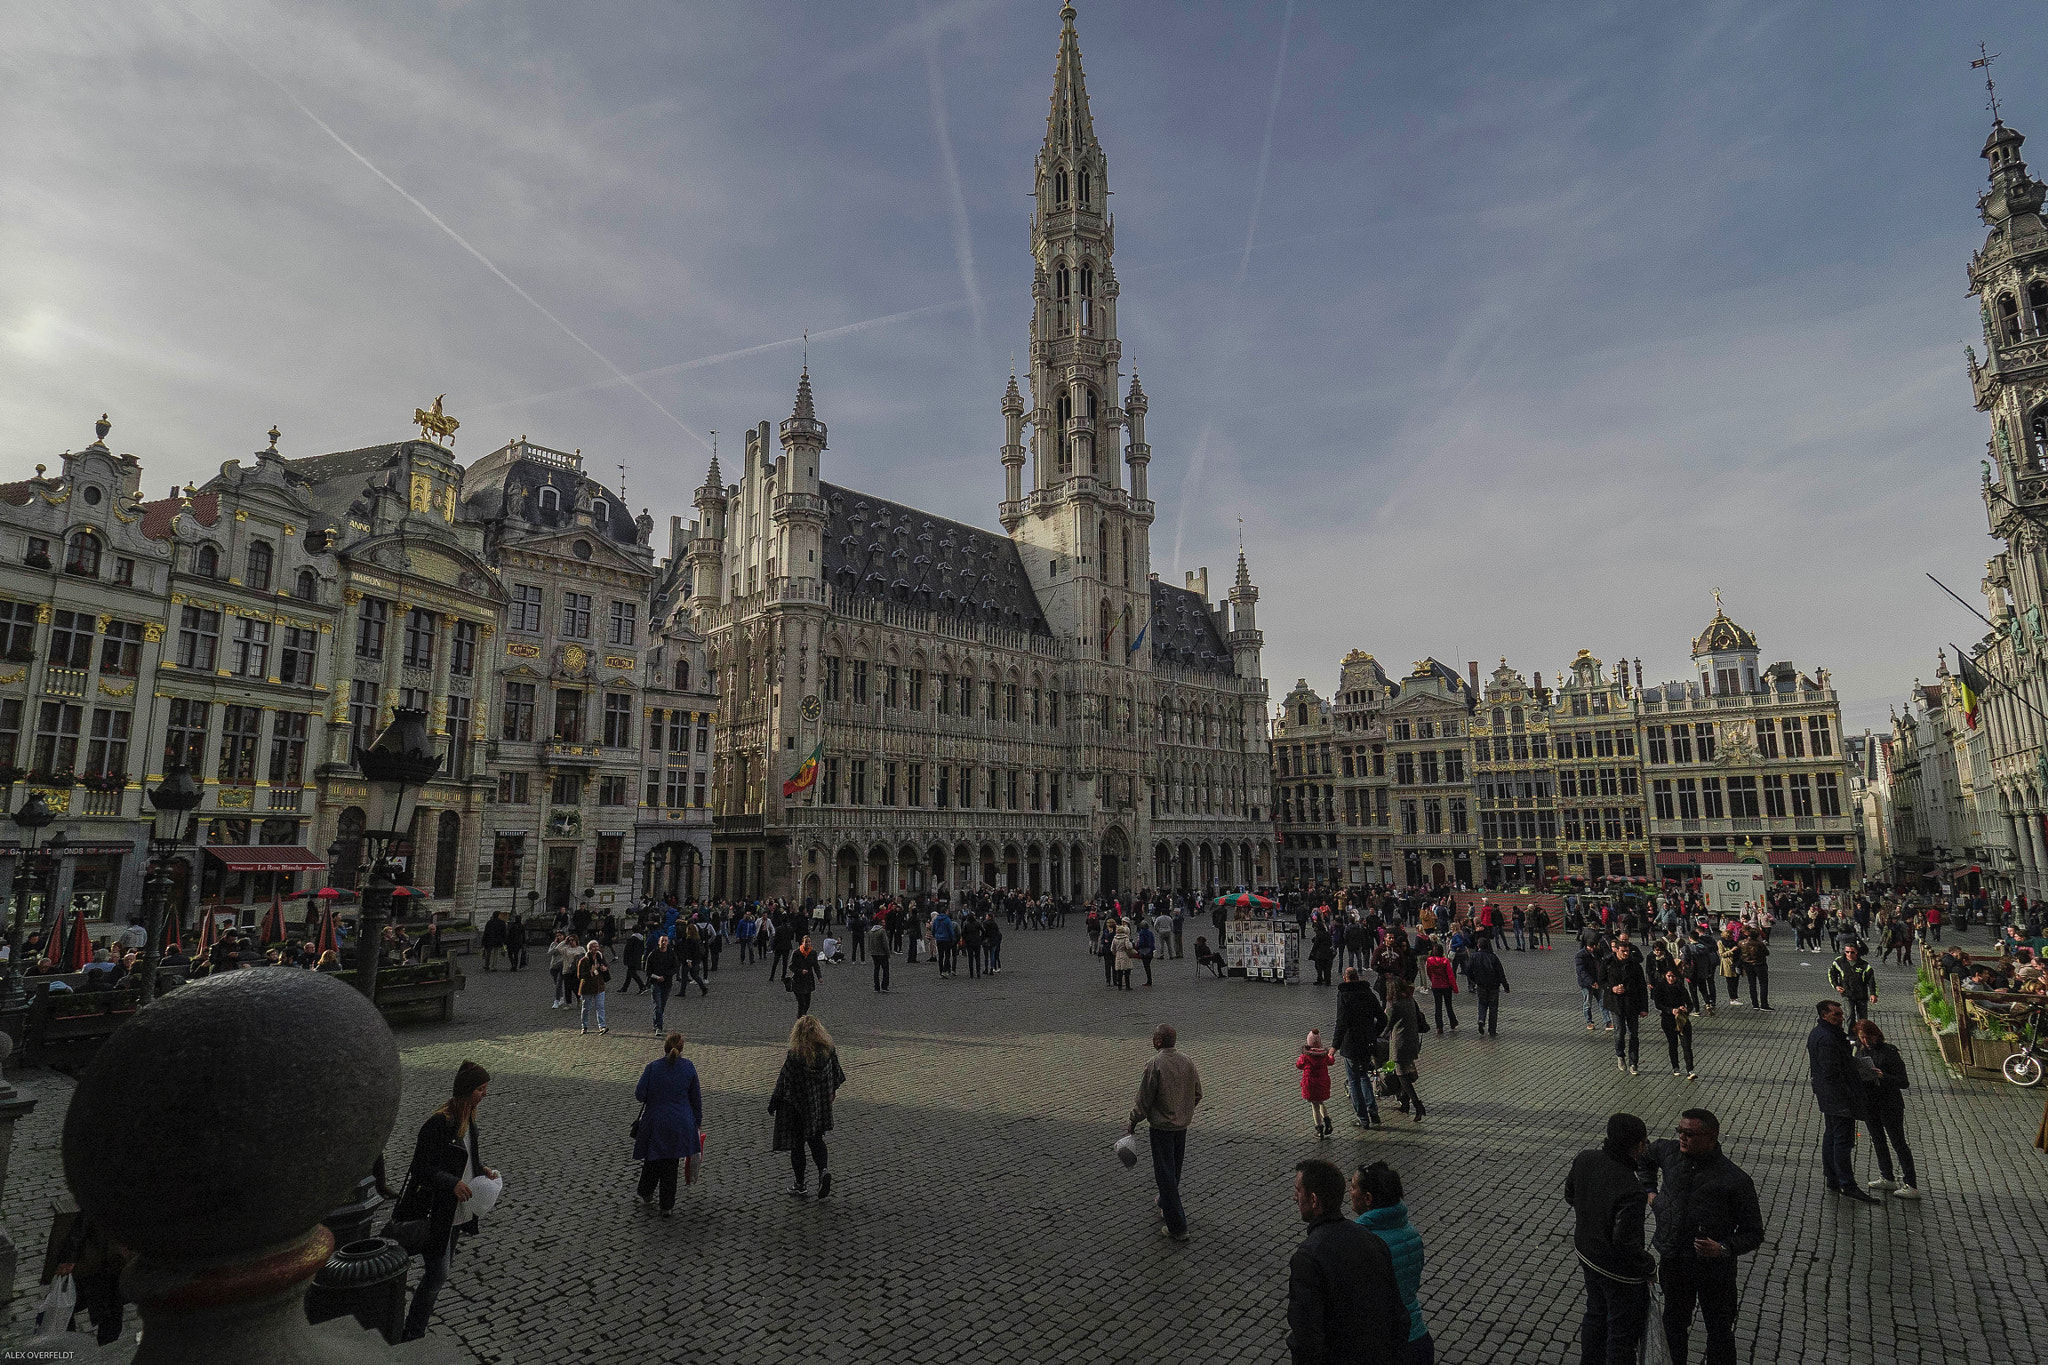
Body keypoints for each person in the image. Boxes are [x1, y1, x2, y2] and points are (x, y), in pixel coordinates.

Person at [1638, 1109, 1766, 1365]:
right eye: (1680, 1131)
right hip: (1675, 1259)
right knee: (1674, 1324)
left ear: (1711, 1137)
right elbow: (1645, 1158)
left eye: (1690, 1134)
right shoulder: (1669, 1151)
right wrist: (1650, 1192)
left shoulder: (1735, 1180)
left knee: (1719, 1331)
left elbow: (1753, 1232)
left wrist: (1723, 1248)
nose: (1683, 1138)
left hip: (1715, 1270)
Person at [394, 1060, 497, 1342]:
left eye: (486, 1088)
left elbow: (463, 1158)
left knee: (437, 1275)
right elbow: (421, 1168)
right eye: (480, 1089)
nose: (485, 1094)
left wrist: (482, 1169)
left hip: (457, 1212)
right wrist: (451, 1183)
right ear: (466, 1091)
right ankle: (413, 1330)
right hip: (436, 1211)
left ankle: (413, 1328)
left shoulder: (470, 1119)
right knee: (437, 1276)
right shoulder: (440, 1123)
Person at [1286, 1158, 1409, 1365]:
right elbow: (1398, 1316)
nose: (1294, 1198)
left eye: (1298, 1191)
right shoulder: (1372, 1241)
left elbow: (1307, 1339)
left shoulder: (1308, 1258)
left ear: (1314, 1200)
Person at [1565, 1113, 1655, 1365]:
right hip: (1616, 1272)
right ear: (1638, 1146)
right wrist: (1649, 1266)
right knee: (1621, 1334)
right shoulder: (1631, 1189)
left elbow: (1570, 1196)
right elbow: (1626, 1244)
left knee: (1595, 1313)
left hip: (1586, 1254)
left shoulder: (1585, 1159)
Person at [1124, 1022, 1202, 1242]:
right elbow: (1198, 1093)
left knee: (1165, 1173)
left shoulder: (1155, 1064)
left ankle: (1177, 1225)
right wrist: (1184, 1111)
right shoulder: (1187, 1061)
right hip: (1181, 1125)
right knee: (1174, 1167)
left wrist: (1133, 1120)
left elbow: (1145, 1098)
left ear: (1158, 1041)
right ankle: (1164, 1203)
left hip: (1161, 1127)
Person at [1350, 1161, 1433, 1365]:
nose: (1349, 1192)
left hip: (1384, 1346)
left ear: (1367, 1198)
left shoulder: (1361, 1241)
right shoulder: (1412, 1234)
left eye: (1353, 1187)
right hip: (1417, 1337)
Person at [769, 1014, 845, 1198]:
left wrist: (774, 1102)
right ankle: (823, 1170)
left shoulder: (795, 1056)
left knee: (797, 1146)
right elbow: (837, 1076)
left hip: (796, 1107)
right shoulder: (829, 1051)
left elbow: (784, 1081)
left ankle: (800, 1183)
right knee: (816, 1139)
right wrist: (830, 1092)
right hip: (818, 1106)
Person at [1807, 999, 1876, 1200]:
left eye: (1840, 1013)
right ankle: (1847, 1182)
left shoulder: (1821, 1033)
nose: (1841, 1017)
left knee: (1831, 1136)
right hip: (1838, 1097)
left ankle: (1833, 1178)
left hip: (1829, 1095)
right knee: (1842, 1140)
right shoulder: (1828, 1038)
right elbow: (1832, 1071)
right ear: (1824, 1015)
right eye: (1836, 1014)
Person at [632, 1033, 704, 1215]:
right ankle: (667, 1205)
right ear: (682, 1049)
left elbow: (640, 1094)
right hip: (679, 1122)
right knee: (671, 1163)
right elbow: (696, 1099)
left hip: (655, 1122)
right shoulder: (688, 1067)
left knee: (653, 1158)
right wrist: (697, 1122)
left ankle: (645, 1191)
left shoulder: (653, 1068)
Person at [1854, 1019, 1921, 1198]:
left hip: (1889, 1103)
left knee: (1898, 1143)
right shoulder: (1861, 1052)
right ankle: (1887, 1176)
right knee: (1878, 1141)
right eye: (1862, 1038)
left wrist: (1884, 1076)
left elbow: (1904, 1082)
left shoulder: (1889, 1052)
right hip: (1870, 1103)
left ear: (1876, 1035)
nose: (1866, 1042)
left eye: (1868, 1037)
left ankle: (1911, 1184)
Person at [1333, 966, 1388, 1129]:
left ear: (1345, 978)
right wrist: (1374, 1033)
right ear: (1357, 977)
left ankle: (1362, 1118)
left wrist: (1334, 1046)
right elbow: (1382, 1018)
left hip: (1350, 1044)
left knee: (1354, 1080)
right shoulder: (1368, 994)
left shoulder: (1344, 995)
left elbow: (1341, 1022)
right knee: (1364, 1076)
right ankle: (1373, 1111)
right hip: (1367, 1043)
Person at [1600, 939, 1648, 1075]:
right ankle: (1620, 1055)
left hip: (1632, 1003)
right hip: (1616, 1004)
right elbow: (1601, 980)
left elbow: (1642, 987)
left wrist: (1644, 1008)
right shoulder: (1608, 963)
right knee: (1620, 1032)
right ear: (1617, 950)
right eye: (1623, 951)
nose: (1626, 953)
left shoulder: (1635, 965)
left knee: (1634, 1034)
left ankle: (1634, 1063)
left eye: (1627, 951)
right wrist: (1612, 988)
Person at [1384, 981, 1426, 1121]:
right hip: (1412, 1040)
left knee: (1401, 1074)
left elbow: (1387, 1024)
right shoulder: (1410, 1000)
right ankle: (1405, 1102)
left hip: (1399, 1043)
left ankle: (1417, 1104)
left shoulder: (1393, 1004)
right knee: (1406, 1072)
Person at [1650, 966, 1697, 1080]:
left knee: (1686, 1045)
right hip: (1668, 1020)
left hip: (1682, 1020)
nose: (1671, 979)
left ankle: (1690, 1069)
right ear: (1665, 976)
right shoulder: (1660, 987)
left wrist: (1686, 1009)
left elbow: (1690, 1003)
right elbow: (1658, 1004)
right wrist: (1670, 1010)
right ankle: (1675, 1067)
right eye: (1669, 976)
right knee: (1673, 1044)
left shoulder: (1681, 987)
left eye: (1673, 976)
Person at [1465, 938, 1509, 1037]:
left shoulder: (1474, 956)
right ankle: (1492, 1030)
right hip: (1493, 985)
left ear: (1478, 946)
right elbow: (1500, 973)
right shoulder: (1493, 957)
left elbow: (1468, 970)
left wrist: (1474, 980)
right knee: (1493, 1007)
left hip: (1480, 985)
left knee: (1482, 1003)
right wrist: (1506, 986)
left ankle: (1481, 1019)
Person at [1298, 1028, 1335, 1139]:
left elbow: (1299, 1065)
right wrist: (1331, 1055)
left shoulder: (1305, 1056)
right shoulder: (1324, 1056)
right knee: (1321, 1102)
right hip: (1323, 1083)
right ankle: (1327, 1121)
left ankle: (1319, 1129)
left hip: (1310, 1084)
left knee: (1314, 1106)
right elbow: (1331, 1061)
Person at [1829, 943, 1877, 1023]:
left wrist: (1873, 994)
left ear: (1857, 952)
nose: (1849, 954)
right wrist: (1836, 985)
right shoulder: (1839, 962)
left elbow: (1871, 980)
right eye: (1847, 952)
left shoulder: (1864, 965)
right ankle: (1850, 1034)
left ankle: (1861, 1034)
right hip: (1847, 993)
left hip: (1861, 995)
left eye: (1852, 952)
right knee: (1850, 1015)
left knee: (1863, 1019)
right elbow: (1831, 973)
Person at [574, 940, 610, 1035]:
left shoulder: (600, 957)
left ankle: (602, 1026)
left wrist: (605, 968)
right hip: (587, 988)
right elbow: (579, 975)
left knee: (600, 1007)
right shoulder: (583, 960)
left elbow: (606, 966)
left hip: (599, 986)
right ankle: (584, 1026)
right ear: (589, 949)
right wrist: (590, 972)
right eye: (593, 947)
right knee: (586, 1008)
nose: (596, 949)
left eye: (597, 946)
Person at [645, 934, 678, 1033]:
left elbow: (675, 968)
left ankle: (656, 1022)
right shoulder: (653, 954)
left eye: (665, 941)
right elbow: (647, 970)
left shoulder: (671, 954)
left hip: (667, 983)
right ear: (659, 942)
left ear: (668, 943)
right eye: (662, 941)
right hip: (655, 983)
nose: (664, 943)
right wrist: (656, 977)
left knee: (662, 1005)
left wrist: (666, 975)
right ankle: (659, 1026)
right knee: (657, 1005)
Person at [1423, 946, 1458, 1032]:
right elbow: (1450, 975)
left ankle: (1439, 1026)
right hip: (1446, 986)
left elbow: (1429, 972)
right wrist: (1454, 987)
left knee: (1438, 1006)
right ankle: (1453, 1022)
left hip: (1436, 985)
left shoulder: (1430, 960)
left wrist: (1433, 980)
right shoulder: (1445, 961)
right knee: (1448, 1005)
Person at [1575, 942, 1608, 1032]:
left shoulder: (1596, 953)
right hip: (1587, 984)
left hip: (1597, 982)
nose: (1593, 948)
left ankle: (1607, 1022)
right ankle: (1589, 1022)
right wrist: (1591, 982)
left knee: (1602, 1002)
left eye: (1594, 946)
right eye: (1591, 947)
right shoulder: (1581, 955)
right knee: (1587, 1003)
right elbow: (1581, 971)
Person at [787, 934, 820, 1016]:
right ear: (802, 943)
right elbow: (791, 966)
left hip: (808, 981)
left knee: (807, 1004)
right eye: (806, 942)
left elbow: (816, 966)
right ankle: (800, 1020)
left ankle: (803, 1017)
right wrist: (800, 971)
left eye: (809, 942)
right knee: (801, 1004)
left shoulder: (813, 953)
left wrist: (819, 977)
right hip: (798, 981)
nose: (808, 944)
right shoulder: (796, 953)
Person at [867, 915, 891, 993]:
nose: (884, 924)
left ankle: (876, 987)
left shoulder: (870, 932)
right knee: (885, 970)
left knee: (876, 970)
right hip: (882, 953)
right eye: (883, 922)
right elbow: (885, 943)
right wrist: (888, 953)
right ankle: (884, 986)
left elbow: (869, 943)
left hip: (874, 953)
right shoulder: (882, 931)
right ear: (880, 923)